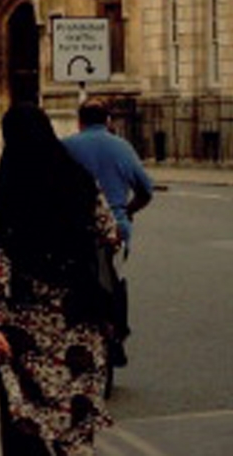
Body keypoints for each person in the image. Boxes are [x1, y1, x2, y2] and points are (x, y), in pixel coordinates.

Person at [0, 103, 119, 456]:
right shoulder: (79, 179)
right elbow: (110, 234)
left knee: (31, 419)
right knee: (75, 418)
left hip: (30, 323)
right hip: (82, 317)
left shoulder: (5, 188)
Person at [63, 98, 152, 372]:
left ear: (80, 122)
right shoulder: (122, 147)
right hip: (115, 230)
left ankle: (76, 339)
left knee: (74, 284)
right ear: (108, 121)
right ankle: (116, 332)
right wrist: (125, 210)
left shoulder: (66, 147)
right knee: (114, 281)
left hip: (76, 231)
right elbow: (146, 190)